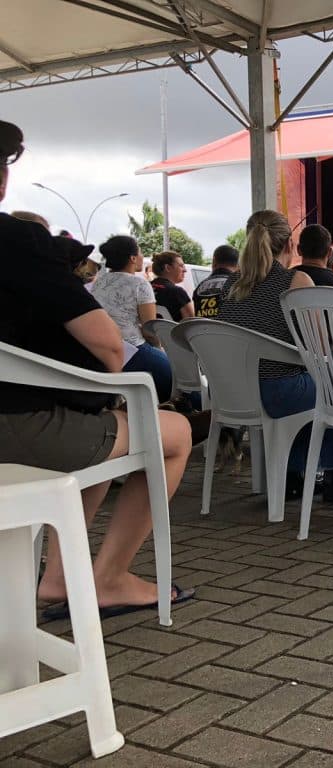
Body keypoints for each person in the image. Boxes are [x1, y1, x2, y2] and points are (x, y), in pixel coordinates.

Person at [0, 118, 194, 618]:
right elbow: (108, 348)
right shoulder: (16, 241)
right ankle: (104, 578)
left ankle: (60, 576)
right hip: (14, 430)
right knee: (170, 432)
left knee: (100, 424)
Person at [217, 210, 333, 501]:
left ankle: (292, 476)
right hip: (277, 393)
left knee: (305, 386)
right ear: (290, 244)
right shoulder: (295, 281)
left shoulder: (230, 285)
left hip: (235, 394)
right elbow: (320, 349)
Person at [91, 235, 173, 402]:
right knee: (177, 375)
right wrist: (162, 350)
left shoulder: (98, 282)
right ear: (133, 258)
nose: (143, 257)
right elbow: (150, 330)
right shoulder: (140, 284)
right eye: (141, 252)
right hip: (131, 349)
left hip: (100, 348)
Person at [193, 244, 238, 318]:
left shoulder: (199, 287)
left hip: (203, 329)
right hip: (228, 329)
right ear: (238, 264)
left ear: (214, 261)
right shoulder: (239, 286)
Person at [150, 250, 195, 321]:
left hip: (147, 331)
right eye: (181, 266)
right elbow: (191, 324)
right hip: (172, 332)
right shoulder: (177, 292)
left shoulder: (145, 287)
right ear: (168, 268)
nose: (185, 270)